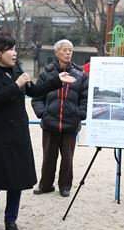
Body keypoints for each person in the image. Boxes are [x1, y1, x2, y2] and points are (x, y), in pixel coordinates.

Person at [0, 33, 76, 230]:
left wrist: (58, 80)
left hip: (18, 133)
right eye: (10, 49)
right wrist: (15, 85)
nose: (14, 53)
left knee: (16, 180)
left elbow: (33, 90)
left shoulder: (17, 69)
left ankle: (10, 220)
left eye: (14, 49)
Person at [31, 39, 88, 198]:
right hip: (50, 122)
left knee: (67, 158)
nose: (68, 52)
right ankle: (45, 185)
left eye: (70, 50)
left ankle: (65, 186)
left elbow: (85, 98)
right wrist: (44, 113)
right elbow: (37, 97)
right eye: (64, 50)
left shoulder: (80, 74)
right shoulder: (47, 74)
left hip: (71, 123)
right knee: (48, 156)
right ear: (56, 53)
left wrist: (80, 113)